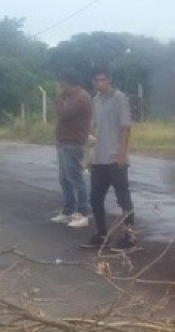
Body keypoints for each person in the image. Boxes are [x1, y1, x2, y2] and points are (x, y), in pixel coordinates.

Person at [81, 68, 136, 251]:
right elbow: (94, 129)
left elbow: (125, 128)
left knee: (123, 199)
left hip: (115, 158)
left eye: (103, 80)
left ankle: (129, 238)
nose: (99, 83)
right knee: (95, 198)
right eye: (96, 80)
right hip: (99, 159)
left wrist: (122, 153)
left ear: (110, 80)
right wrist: (90, 155)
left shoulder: (119, 98)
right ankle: (101, 234)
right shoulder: (96, 100)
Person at [50, 68, 92, 228]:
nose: (60, 87)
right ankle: (68, 211)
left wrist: (59, 98)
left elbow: (63, 114)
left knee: (75, 179)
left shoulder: (80, 97)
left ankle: (82, 213)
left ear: (68, 82)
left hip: (73, 143)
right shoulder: (70, 96)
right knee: (64, 179)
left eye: (62, 84)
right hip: (64, 142)